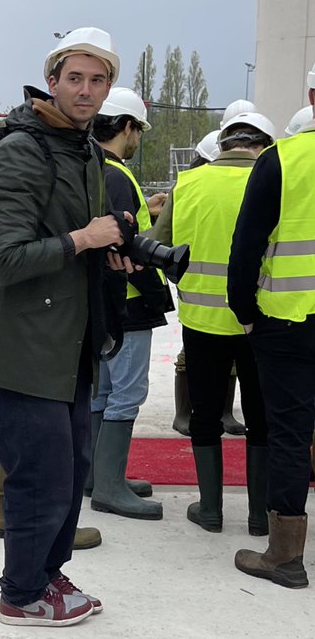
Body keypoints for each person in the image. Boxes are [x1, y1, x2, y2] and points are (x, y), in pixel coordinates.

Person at [0, 27, 132, 626]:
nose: (86, 91)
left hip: (72, 344)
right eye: (76, 78)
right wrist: (83, 238)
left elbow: (77, 241)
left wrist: (107, 250)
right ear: (52, 82)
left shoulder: (84, 149)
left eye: (98, 81)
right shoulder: (22, 149)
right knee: (39, 480)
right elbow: (7, 259)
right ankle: (20, 594)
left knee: (69, 477)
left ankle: (47, 574)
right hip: (27, 348)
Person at [155, 113, 276, 538]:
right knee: (262, 417)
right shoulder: (274, 178)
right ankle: (261, 516)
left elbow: (160, 244)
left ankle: (210, 511)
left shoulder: (188, 184)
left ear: (223, 145)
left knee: (205, 415)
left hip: (202, 320)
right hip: (263, 321)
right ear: (263, 145)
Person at [228, 60, 315, 589]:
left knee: (289, 434)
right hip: (287, 324)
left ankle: (285, 555)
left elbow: (248, 244)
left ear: (310, 93)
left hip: (287, 323)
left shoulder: (283, 159)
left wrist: (246, 312)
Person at [86, 87, 169, 521]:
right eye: (138, 130)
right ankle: (110, 486)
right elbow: (125, 242)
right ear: (127, 127)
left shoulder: (92, 166)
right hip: (130, 302)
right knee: (126, 394)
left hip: (106, 303)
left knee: (103, 393)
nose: (138, 139)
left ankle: (97, 476)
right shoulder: (118, 174)